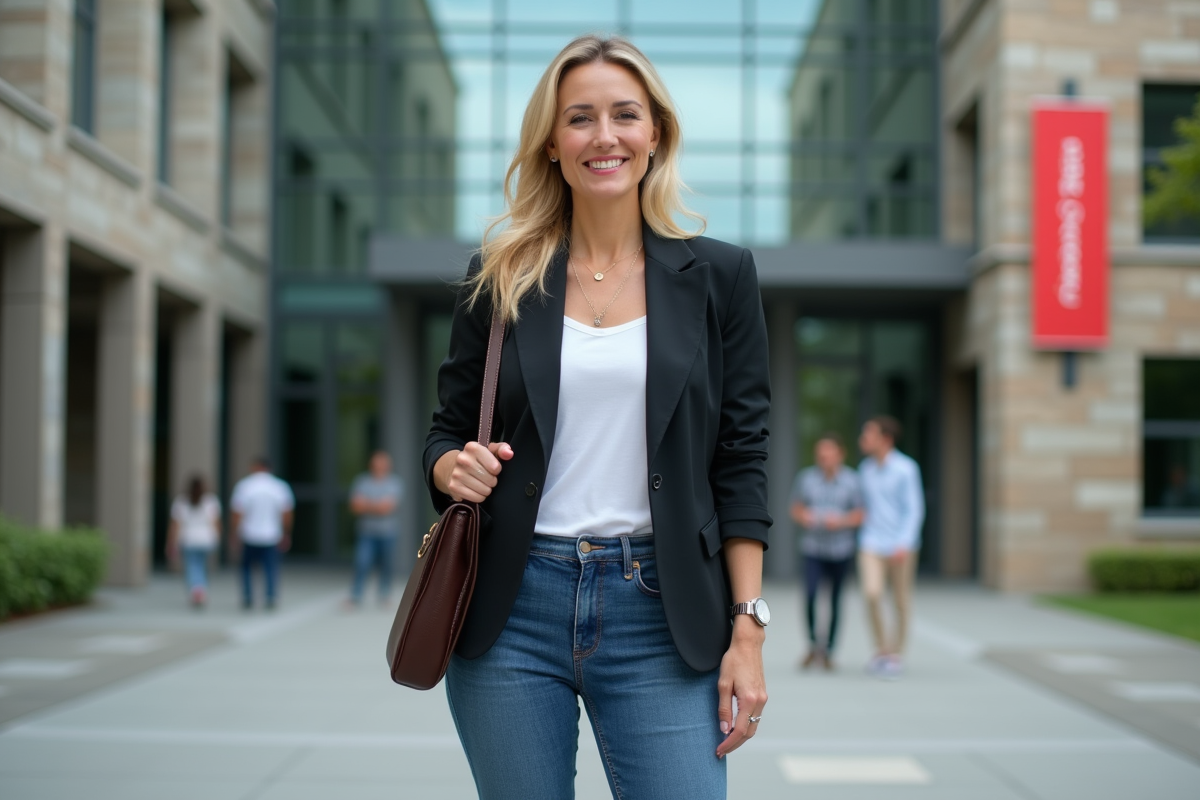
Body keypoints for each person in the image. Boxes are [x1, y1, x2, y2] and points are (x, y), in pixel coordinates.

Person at [424, 35, 772, 800]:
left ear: (656, 135)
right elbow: (446, 432)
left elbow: (742, 458)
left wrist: (748, 628)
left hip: (662, 612)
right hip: (512, 606)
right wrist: (452, 468)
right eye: (580, 117)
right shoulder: (501, 277)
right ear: (552, 143)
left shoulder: (721, 277)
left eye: (625, 115)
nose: (604, 136)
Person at [857, 415, 925, 680]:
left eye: (868, 434)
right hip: (871, 543)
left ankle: (895, 654)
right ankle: (881, 650)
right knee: (872, 594)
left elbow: (914, 509)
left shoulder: (906, 469)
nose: (863, 439)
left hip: (900, 545)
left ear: (885, 439)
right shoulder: (865, 470)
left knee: (900, 600)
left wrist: (904, 543)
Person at [789, 433, 863, 671]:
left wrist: (840, 521)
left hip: (841, 549)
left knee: (835, 600)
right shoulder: (806, 478)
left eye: (829, 453)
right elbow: (796, 508)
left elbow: (860, 514)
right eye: (821, 454)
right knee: (810, 595)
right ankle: (813, 645)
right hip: (813, 547)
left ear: (840, 454)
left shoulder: (852, 481)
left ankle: (829, 650)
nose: (825, 458)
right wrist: (806, 517)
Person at [230, 456, 294, 611]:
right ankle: (270, 596)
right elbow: (286, 513)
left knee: (246, 568)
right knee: (270, 567)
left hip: (249, 534)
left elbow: (238, 512)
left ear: (256, 467)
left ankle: (248, 596)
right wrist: (286, 533)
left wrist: (234, 533)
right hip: (271, 535)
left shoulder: (245, 486)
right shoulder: (279, 486)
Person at [346, 451, 404, 608]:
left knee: (387, 565)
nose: (379, 466)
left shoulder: (394, 482)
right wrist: (377, 505)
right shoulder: (362, 481)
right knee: (362, 562)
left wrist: (366, 504)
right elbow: (355, 506)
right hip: (366, 532)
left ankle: (384, 595)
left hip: (388, 532)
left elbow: (387, 508)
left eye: (382, 463)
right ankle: (355, 596)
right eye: (377, 462)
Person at [166, 474, 222, 609]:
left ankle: (197, 590)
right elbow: (216, 523)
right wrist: (218, 537)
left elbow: (175, 525)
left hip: (188, 539)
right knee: (201, 565)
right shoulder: (211, 501)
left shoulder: (181, 501)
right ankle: (200, 589)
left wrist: (171, 542)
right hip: (206, 539)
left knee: (192, 566)